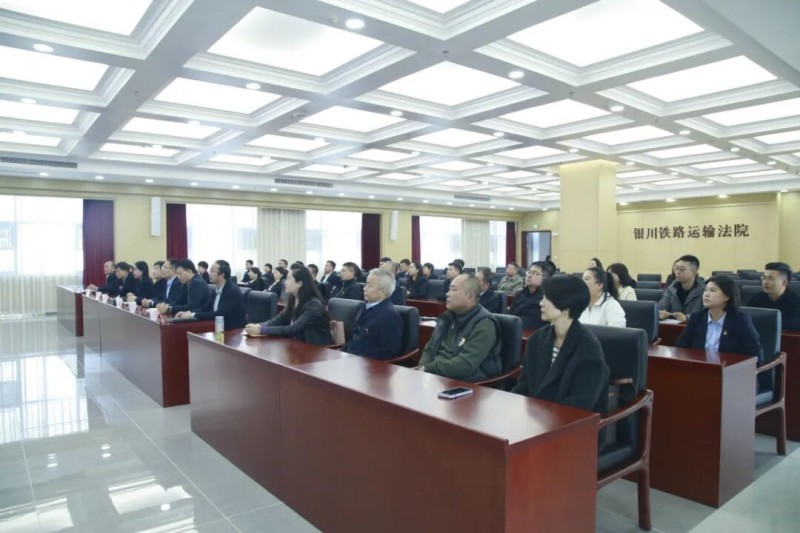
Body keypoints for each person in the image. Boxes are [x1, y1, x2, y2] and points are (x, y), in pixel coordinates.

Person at [511, 275, 610, 413]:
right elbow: (524, 383)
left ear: (565, 307)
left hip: (568, 419)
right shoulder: (537, 339)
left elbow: (582, 401)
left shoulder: (588, 347)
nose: (541, 303)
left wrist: (543, 414)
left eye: (547, 299)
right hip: (536, 413)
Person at [417, 274, 501, 382]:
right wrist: (422, 369)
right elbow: (429, 348)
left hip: (464, 383)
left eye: (453, 290)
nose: (447, 294)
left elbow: (466, 364)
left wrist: (429, 369)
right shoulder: (447, 317)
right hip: (435, 376)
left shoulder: (485, 324)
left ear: (470, 297)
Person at [677, 276, 763, 363]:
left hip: (730, 369)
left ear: (726, 296)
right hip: (701, 368)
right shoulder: (697, 318)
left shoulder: (740, 320)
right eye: (706, 290)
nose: (706, 294)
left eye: (712, 290)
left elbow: (756, 354)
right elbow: (681, 348)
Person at [245, 266, 333, 346]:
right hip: (299, 344)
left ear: (299, 283)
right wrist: (258, 326)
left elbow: (293, 329)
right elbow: (279, 319)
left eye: (288, 279)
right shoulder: (293, 299)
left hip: (316, 349)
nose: (285, 282)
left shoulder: (314, 305)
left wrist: (262, 329)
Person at [341, 268, 404, 360]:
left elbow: (390, 351)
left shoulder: (389, 315)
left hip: (368, 363)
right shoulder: (365, 307)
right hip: (352, 357)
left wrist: (356, 357)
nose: (364, 288)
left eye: (369, 285)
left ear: (382, 291)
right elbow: (355, 337)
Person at [177, 260, 246, 331]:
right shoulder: (217, 289)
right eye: (210, 271)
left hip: (232, 331)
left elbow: (219, 314)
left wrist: (193, 315)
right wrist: (190, 312)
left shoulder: (232, 291)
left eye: (212, 271)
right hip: (218, 327)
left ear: (222, 274)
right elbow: (205, 308)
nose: (209, 273)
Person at [745, 262, 800, 331]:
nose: (765, 282)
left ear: (784, 282)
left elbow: (796, 324)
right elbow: (745, 318)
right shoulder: (757, 298)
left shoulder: (796, 301)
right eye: (764, 278)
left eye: (770, 279)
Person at [659, 255, 705, 322]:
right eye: (676, 268)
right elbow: (660, 307)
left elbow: (708, 314)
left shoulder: (704, 290)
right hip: (673, 327)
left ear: (694, 272)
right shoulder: (671, 288)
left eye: (682, 269)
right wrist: (660, 314)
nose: (677, 272)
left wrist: (687, 318)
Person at [509, 261, 553, 329]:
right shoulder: (519, 294)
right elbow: (510, 316)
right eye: (529, 272)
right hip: (514, 330)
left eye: (535, 273)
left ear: (545, 278)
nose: (529, 275)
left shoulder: (547, 297)